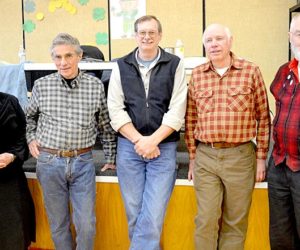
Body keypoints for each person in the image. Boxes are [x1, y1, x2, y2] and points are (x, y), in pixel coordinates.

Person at [26, 33, 116, 250]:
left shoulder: (95, 86)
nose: (63, 62)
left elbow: (105, 125)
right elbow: (29, 118)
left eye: (68, 56)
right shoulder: (41, 85)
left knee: (86, 224)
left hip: (82, 161)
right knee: (58, 224)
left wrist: (111, 157)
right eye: (57, 57)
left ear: (80, 56)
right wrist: (31, 139)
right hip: (49, 162)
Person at [185, 23, 270, 250]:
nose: (214, 44)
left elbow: (263, 117)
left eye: (219, 39)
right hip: (206, 156)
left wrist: (261, 158)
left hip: (241, 157)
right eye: (209, 40)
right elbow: (190, 119)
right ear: (204, 45)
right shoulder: (197, 75)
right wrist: (192, 157)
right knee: (206, 220)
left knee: (235, 222)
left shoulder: (251, 71)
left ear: (230, 41)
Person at [107, 15, 187, 250]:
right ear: (135, 36)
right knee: (134, 212)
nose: (147, 37)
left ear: (160, 35)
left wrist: (153, 141)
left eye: (152, 32)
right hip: (129, 148)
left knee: (152, 214)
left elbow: (177, 109)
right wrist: (140, 141)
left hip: (164, 147)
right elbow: (115, 108)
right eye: (142, 32)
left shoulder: (175, 64)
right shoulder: (121, 65)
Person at [268, 14, 300, 250]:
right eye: (298, 34)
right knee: (281, 235)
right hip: (280, 164)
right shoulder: (284, 71)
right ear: (290, 37)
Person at [0, 92, 35, 250]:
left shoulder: (9, 101)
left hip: (9, 178)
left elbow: (24, 135)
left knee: (15, 231)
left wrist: (13, 155)